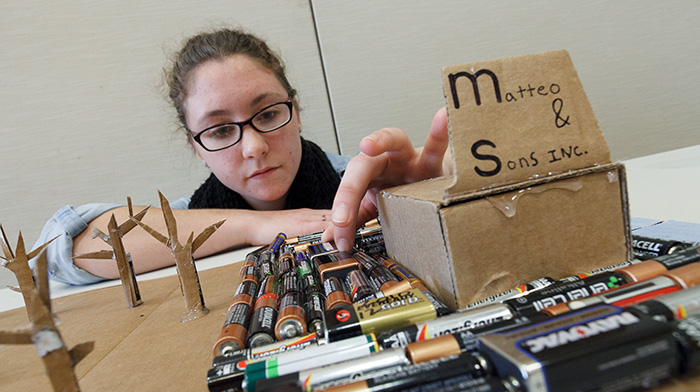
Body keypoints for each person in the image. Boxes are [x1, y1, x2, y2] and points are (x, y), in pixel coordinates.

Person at [32, 27, 451, 285]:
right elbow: (61, 248)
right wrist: (256, 225)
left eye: (268, 114)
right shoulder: (187, 221)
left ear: (297, 112)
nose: (254, 147)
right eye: (219, 130)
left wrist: (428, 196)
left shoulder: (366, 185)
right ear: (196, 147)